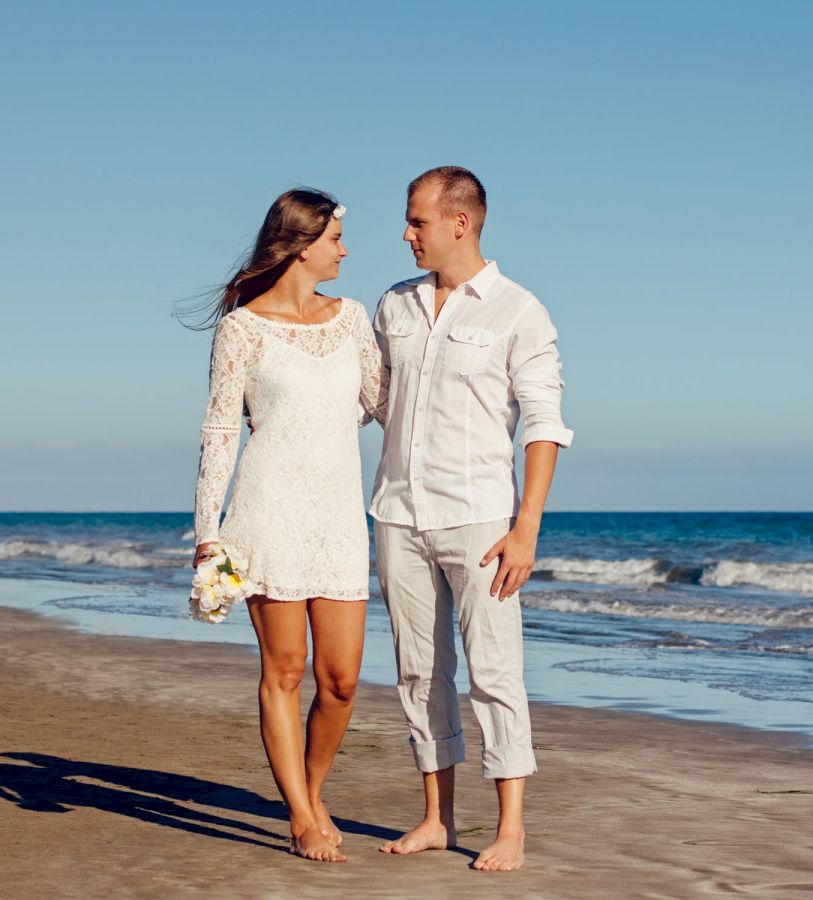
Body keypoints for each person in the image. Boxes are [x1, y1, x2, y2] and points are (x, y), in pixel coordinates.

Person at [371, 166, 573, 872]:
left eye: (417, 221)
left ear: (461, 222)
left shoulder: (520, 310)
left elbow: (544, 425)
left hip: (483, 521)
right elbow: (373, 400)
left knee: (494, 672)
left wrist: (527, 527)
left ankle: (510, 827)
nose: (406, 233)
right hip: (398, 513)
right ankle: (436, 817)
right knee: (418, 672)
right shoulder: (393, 306)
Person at [189, 188, 387, 863]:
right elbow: (219, 430)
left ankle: (310, 789)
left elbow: (381, 404)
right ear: (301, 245)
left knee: (341, 680)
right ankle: (302, 815)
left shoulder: (353, 318)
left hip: (337, 517)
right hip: (266, 511)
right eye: (336, 238)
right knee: (286, 668)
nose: (345, 249)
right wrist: (206, 534)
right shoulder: (242, 328)